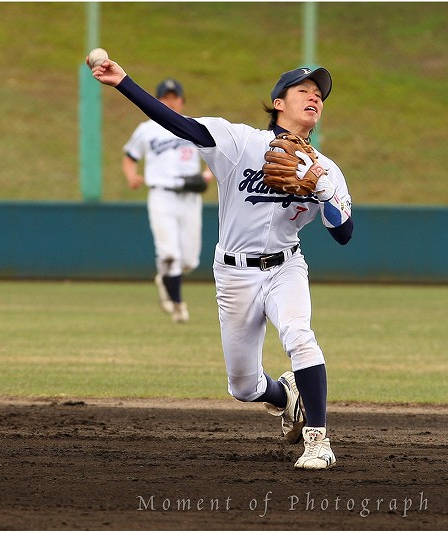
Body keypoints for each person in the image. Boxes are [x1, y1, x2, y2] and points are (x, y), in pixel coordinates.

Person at [90, 54, 353, 470]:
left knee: (300, 335)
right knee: (244, 386)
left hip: (286, 266)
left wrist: (325, 193)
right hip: (234, 273)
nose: (314, 98)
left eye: (320, 95)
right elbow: (181, 124)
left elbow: (343, 234)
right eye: (303, 90)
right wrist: (124, 82)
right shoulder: (239, 142)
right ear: (278, 102)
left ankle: (317, 441)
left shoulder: (326, 169)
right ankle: (287, 397)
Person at [121, 78, 213, 323]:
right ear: (157, 101)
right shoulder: (146, 129)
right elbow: (130, 156)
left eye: (175, 97)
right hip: (162, 195)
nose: (171, 102)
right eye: (166, 98)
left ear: (182, 101)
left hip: (190, 197)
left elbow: (218, 158)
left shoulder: (194, 126)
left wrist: (206, 176)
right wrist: (132, 176)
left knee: (190, 261)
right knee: (169, 253)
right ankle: (178, 305)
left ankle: (165, 279)